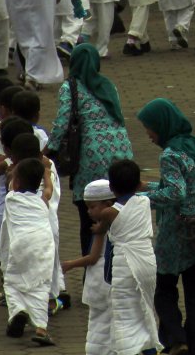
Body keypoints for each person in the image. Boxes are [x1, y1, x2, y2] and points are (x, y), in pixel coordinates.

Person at [135, 98, 195, 355]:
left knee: (162, 290)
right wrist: (149, 186)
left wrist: (137, 200)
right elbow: (194, 186)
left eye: (149, 128)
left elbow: (176, 193)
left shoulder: (170, 154)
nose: (149, 135)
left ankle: (175, 339)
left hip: (177, 239)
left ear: (162, 125)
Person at [48, 43, 133, 254]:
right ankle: (114, 258)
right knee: (116, 209)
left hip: (90, 156)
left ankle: (91, 262)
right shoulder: (107, 85)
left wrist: (49, 150)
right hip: (120, 154)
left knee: (89, 215)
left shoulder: (70, 87)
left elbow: (62, 122)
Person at [98, 158, 161, 355]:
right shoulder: (145, 201)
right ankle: (150, 348)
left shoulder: (109, 212)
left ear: (111, 186)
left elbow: (100, 223)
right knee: (146, 309)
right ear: (138, 183)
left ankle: (128, 350)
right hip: (147, 261)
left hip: (125, 264)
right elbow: (159, 187)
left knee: (125, 313)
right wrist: (143, 185)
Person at [2, 157, 57, 345]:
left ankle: (18, 311)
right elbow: (49, 190)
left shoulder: (11, 198)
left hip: (21, 245)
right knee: (41, 285)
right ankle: (41, 328)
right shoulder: (42, 200)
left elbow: (12, 184)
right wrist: (48, 173)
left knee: (12, 281)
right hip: (43, 244)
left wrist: (11, 171)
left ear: (15, 182)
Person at [59, 178, 115, 354]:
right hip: (115, 280)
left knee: (99, 323)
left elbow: (92, 257)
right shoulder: (122, 222)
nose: (89, 212)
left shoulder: (101, 228)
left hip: (100, 280)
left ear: (107, 203)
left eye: (92, 207)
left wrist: (69, 264)